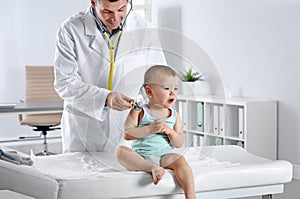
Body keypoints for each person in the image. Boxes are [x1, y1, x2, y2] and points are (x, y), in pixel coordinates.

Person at [54, 0, 166, 152]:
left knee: (124, 173)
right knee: (83, 173)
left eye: (121, 9)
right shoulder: (71, 29)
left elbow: (158, 77)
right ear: (93, 2)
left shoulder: (145, 30)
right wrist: (106, 99)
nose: (115, 18)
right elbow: (65, 83)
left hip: (127, 125)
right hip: (85, 129)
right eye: (107, 11)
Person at [116, 65, 196, 199]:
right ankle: (151, 168)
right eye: (167, 89)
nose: (173, 93)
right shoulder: (139, 111)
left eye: (175, 89)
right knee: (120, 151)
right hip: (141, 156)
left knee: (180, 160)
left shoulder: (174, 115)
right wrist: (149, 129)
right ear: (149, 91)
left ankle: (191, 195)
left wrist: (170, 132)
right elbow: (127, 133)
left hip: (164, 156)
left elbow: (179, 143)